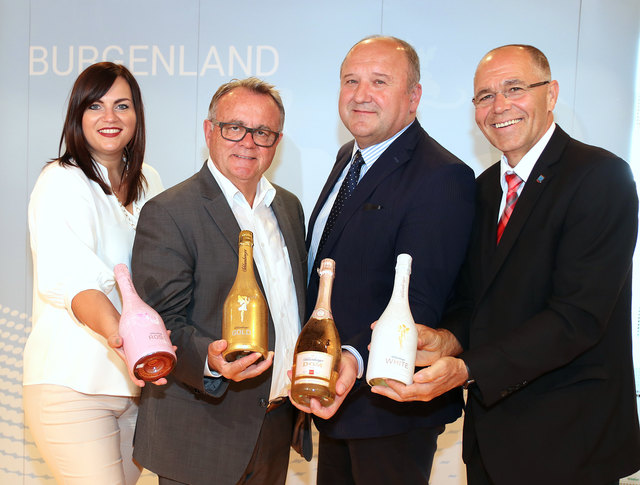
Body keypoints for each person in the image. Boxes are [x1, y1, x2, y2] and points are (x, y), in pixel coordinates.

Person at [373, 44, 640, 485]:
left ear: (550, 94)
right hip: (491, 444)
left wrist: (469, 369)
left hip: (571, 445)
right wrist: (447, 340)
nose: (499, 107)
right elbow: (475, 298)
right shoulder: (481, 191)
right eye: (484, 96)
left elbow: (578, 317)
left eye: (514, 89)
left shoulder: (600, 177)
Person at [294, 36, 475, 484]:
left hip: (389, 406)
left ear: (413, 97)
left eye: (379, 81)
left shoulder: (441, 176)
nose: (360, 94)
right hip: (337, 399)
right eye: (351, 80)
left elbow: (420, 300)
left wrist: (351, 355)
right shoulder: (349, 158)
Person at [130, 77, 310, 485]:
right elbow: (159, 326)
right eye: (234, 127)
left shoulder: (288, 208)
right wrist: (209, 361)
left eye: (262, 132)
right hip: (201, 432)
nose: (248, 142)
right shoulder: (171, 212)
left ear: (276, 141)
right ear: (209, 130)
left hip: (276, 424)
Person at [23, 62, 165, 484]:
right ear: (77, 116)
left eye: (122, 105)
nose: (110, 117)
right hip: (73, 385)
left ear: (136, 116)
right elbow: (73, 279)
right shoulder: (61, 180)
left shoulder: (151, 181)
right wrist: (122, 338)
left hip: (138, 388)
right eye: (96, 106)